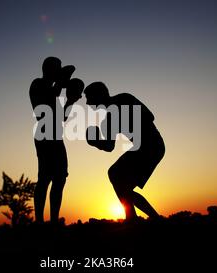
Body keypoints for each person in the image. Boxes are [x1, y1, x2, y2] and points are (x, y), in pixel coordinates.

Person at [84, 82, 164, 221]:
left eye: (89, 97)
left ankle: (137, 218)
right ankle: (139, 218)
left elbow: (150, 116)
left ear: (98, 95)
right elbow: (109, 146)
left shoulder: (124, 98)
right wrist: (95, 141)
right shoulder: (107, 119)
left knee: (116, 176)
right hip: (143, 147)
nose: (87, 102)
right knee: (120, 182)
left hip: (152, 144)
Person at [29, 57, 84, 224]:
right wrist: (61, 83)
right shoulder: (37, 84)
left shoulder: (54, 89)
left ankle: (53, 222)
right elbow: (43, 108)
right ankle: (39, 221)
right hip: (45, 134)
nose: (60, 72)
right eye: (57, 68)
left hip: (56, 136)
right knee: (44, 178)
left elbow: (61, 117)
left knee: (60, 178)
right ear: (49, 69)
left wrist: (70, 101)